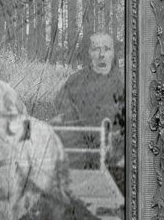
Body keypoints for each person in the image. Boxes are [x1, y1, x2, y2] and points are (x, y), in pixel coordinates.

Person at [51, 32, 125, 189]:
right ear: (89, 53)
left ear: (113, 53)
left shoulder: (126, 84)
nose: (101, 55)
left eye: (107, 49)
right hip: (80, 157)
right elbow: (64, 115)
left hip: (115, 160)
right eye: (96, 49)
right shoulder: (75, 81)